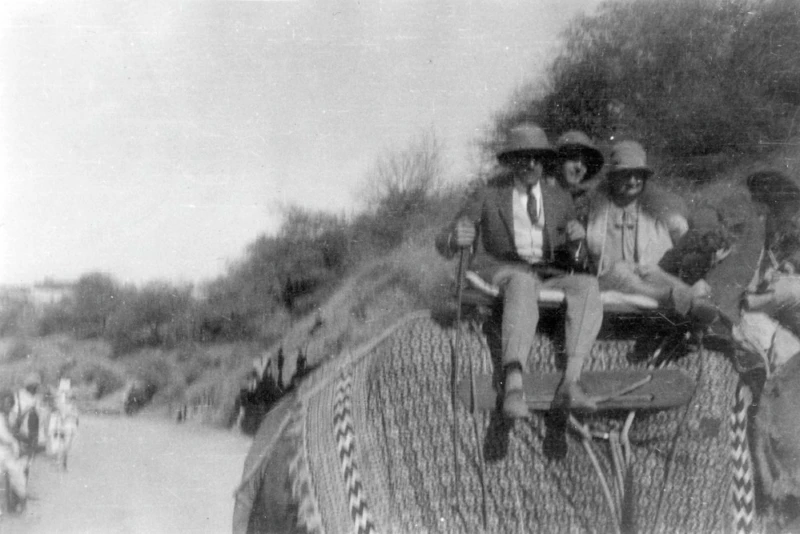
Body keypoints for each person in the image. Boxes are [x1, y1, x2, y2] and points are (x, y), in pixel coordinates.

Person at [436, 122, 603, 417]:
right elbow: (446, 237)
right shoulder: (488, 194)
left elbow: (574, 253)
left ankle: (571, 383)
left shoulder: (558, 198)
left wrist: (577, 239)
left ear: (544, 162)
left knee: (587, 286)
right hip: (500, 269)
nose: (530, 164)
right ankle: (514, 386)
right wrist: (454, 236)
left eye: (537, 158)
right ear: (511, 161)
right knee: (522, 282)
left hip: (545, 274)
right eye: (523, 157)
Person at [584, 140, 716, 323]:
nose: (632, 181)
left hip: (644, 272)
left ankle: (694, 299)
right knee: (622, 271)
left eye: (638, 175)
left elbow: (682, 239)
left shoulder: (655, 209)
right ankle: (666, 297)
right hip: (609, 278)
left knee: (652, 272)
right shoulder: (597, 209)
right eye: (625, 175)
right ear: (613, 177)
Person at [553, 130, 605, 218]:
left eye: (585, 163)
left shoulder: (590, 203)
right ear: (558, 162)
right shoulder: (542, 195)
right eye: (573, 158)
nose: (579, 167)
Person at [0, 389, 28, 514]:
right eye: (5, 403)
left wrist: (18, 438)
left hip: (12, 451)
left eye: (10, 403)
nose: (7, 405)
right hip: (2, 450)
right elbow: (4, 436)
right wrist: (12, 439)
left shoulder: (13, 416)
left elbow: (19, 433)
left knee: (18, 478)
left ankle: (21, 505)